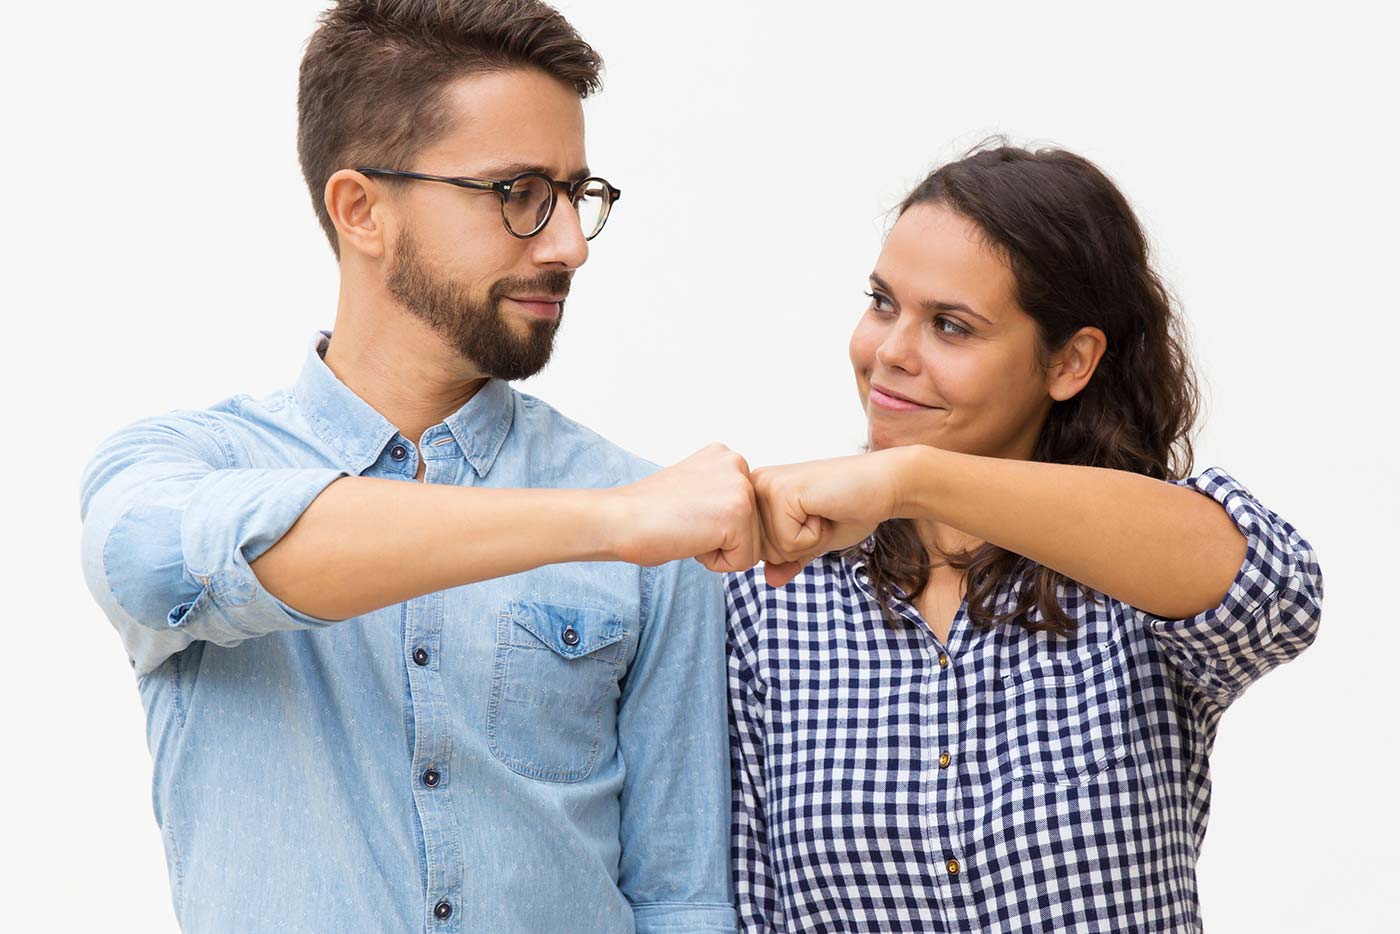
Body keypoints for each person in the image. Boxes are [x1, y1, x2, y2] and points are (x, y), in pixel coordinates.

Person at [78, 2, 753, 931]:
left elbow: (681, 897)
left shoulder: (654, 519)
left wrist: (629, 519)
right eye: (518, 192)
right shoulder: (182, 467)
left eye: (575, 193)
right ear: (362, 210)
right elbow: (162, 566)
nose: (568, 245)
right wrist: (605, 522)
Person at [727, 144, 1324, 932]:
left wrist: (912, 478)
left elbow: (1276, 595)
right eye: (881, 303)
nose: (889, 353)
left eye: (950, 325)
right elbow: (740, 900)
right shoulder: (774, 593)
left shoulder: (1134, 570)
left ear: (1070, 361)